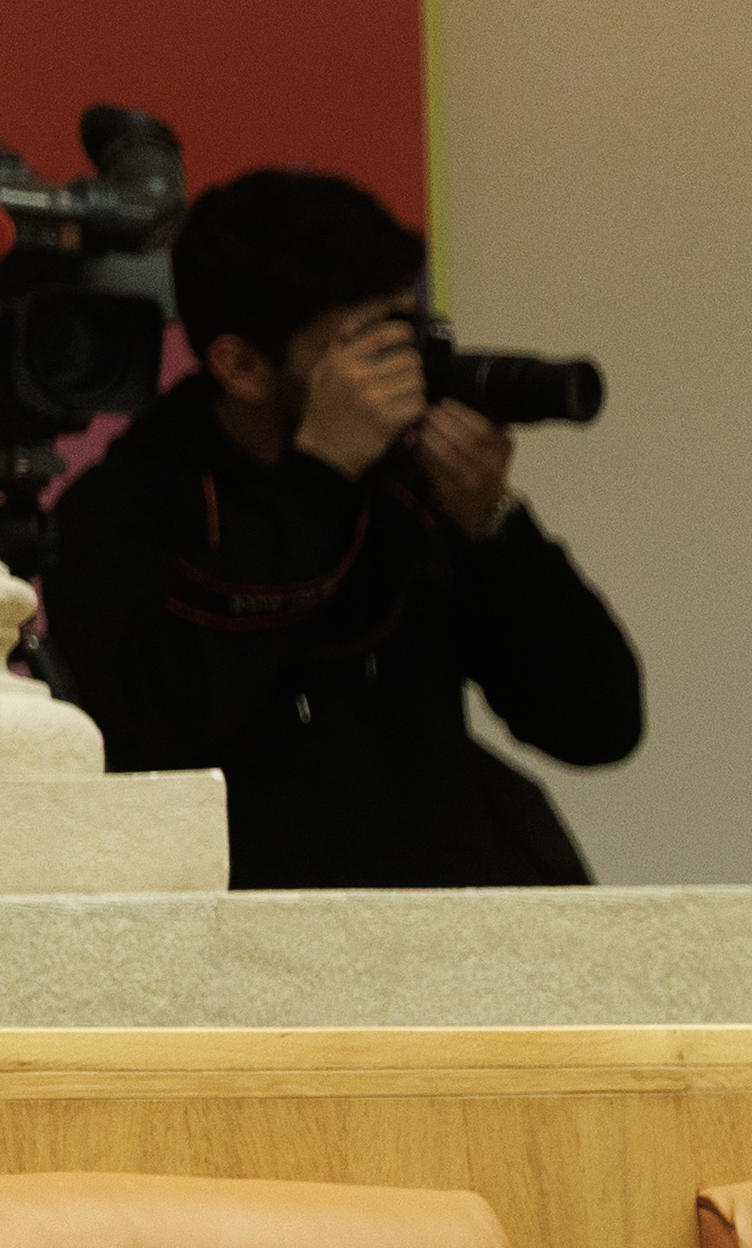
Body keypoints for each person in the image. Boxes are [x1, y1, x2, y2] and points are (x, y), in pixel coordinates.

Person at [38, 168, 644, 889]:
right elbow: (164, 718)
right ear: (242, 366)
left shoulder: (409, 488)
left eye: (408, 328)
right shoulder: (125, 509)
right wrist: (318, 475)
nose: (404, 367)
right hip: (251, 938)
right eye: (367, 345)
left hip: (460, 913)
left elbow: (598, 724)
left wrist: (496, 527)